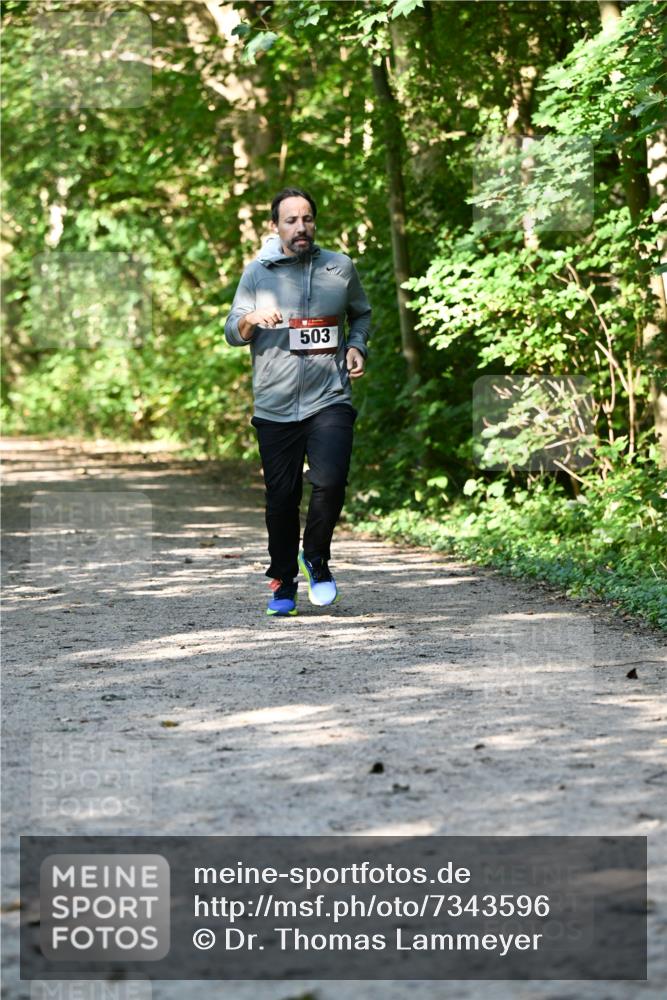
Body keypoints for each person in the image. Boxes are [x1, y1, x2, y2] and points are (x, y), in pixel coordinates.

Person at [224, 187, 371, 617]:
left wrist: (356, 345)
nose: (300, 227)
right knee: (282, 498)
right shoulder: (258, 274)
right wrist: (251, 318)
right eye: (291, 220)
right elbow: (233, 330)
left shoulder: (339, 268)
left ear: (315, 222)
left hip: (330, 395)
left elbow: (360, 313)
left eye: (307, 219)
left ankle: (317, 560)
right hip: (275, 404)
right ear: (276, 226)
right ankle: (283, 579)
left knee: (330, 481)